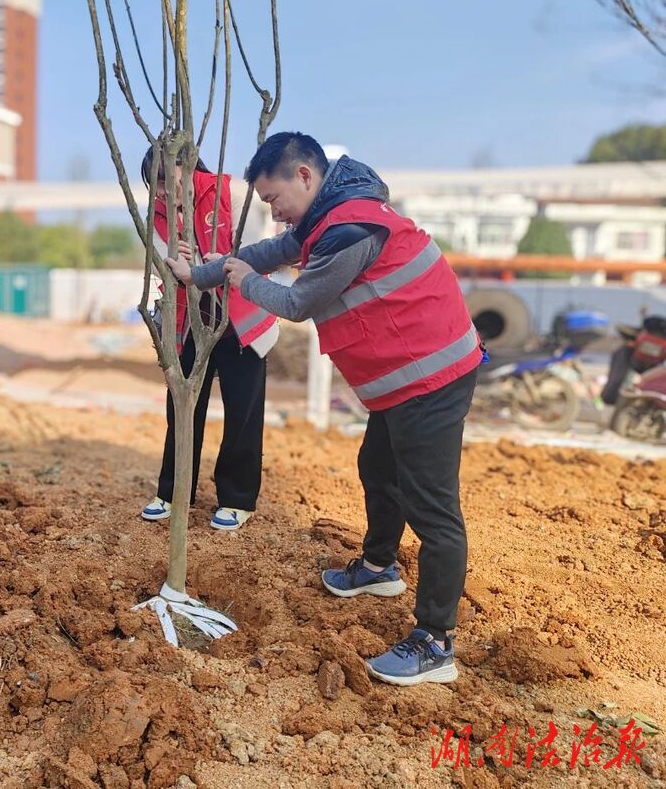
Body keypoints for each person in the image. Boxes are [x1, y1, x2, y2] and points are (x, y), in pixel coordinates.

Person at [166, 133, 485, 685]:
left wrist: (243, 281)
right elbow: (270, 252)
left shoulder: (350, 228)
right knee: (377, 467)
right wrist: (204, 272)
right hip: (403, 376)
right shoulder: (326, 217)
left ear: (305, 177)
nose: (273, 212)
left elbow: (296, 301)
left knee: (433, 508)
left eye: (273, 200)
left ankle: (436, 642)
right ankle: (379, 567)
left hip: (432, 374)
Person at [140, 146, 279, 531]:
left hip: (239, 318)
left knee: (243, 412)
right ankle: (172, 491)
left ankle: (237, 498)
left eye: (169, 180)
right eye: (156, 184)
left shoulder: (230, 193)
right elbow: (162, 267)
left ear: (189, 165)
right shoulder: (155, 214)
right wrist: (175, 262)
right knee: (182, 408)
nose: (164, 192)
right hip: (189, 320)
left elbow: (255, 256)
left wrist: (205, 262)